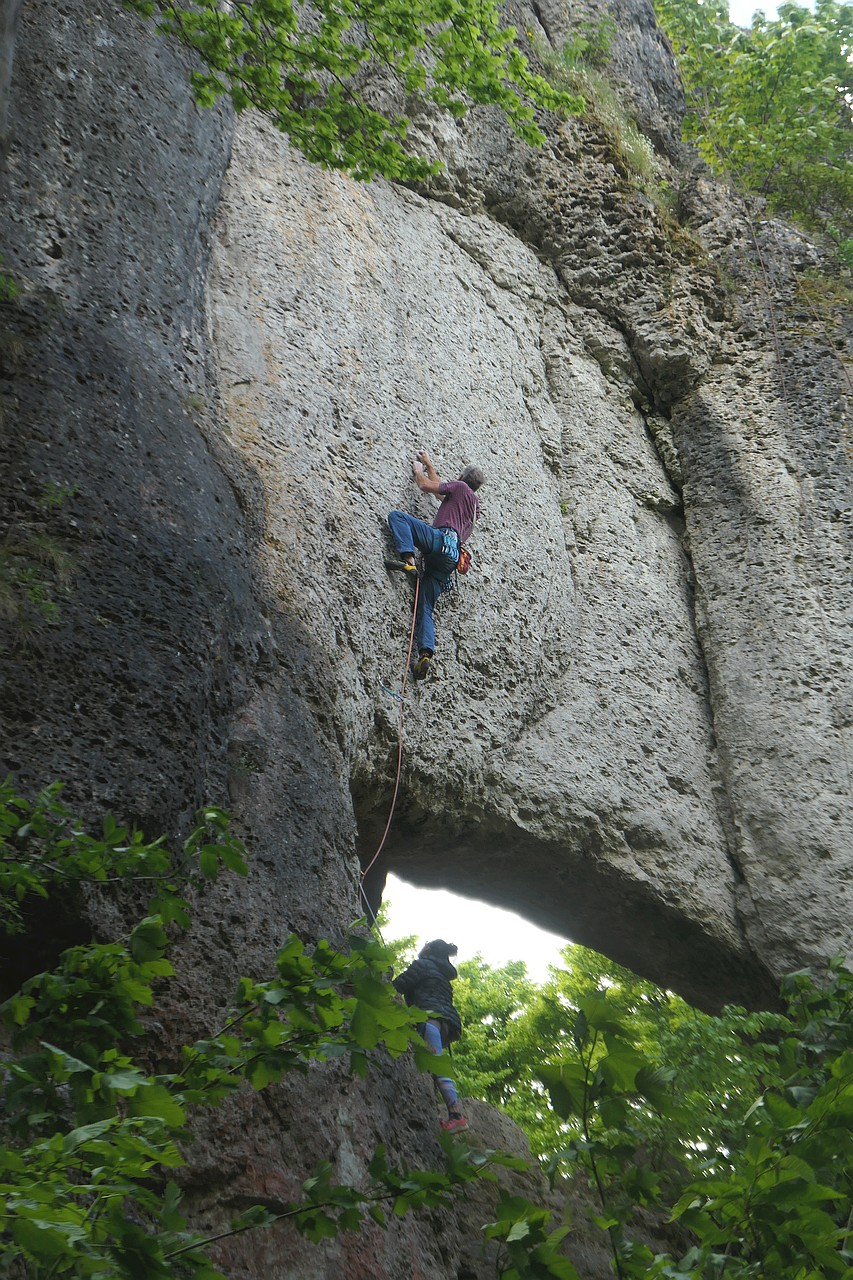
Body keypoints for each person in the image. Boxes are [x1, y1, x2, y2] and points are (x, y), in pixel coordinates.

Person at [387, 451, 483, 679]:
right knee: (425, 607)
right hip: (450, 561)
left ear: (461, 477)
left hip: (440, 541)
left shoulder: (459, 488)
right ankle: (425, 655)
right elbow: (442, 492)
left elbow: (426, 487)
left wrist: (419, 471)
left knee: (398, 518)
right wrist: (430, 464)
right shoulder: (473, 506)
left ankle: (408, 561)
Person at [392, 939, 468, 1133]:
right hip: (448, 1026)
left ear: (429, 949)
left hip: (430, 1019)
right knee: (435, 1063)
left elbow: (400, 984)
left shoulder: (423, 965)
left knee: (436, 1064)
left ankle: (456, 1115)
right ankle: (450, 1111)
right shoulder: (442, 975)